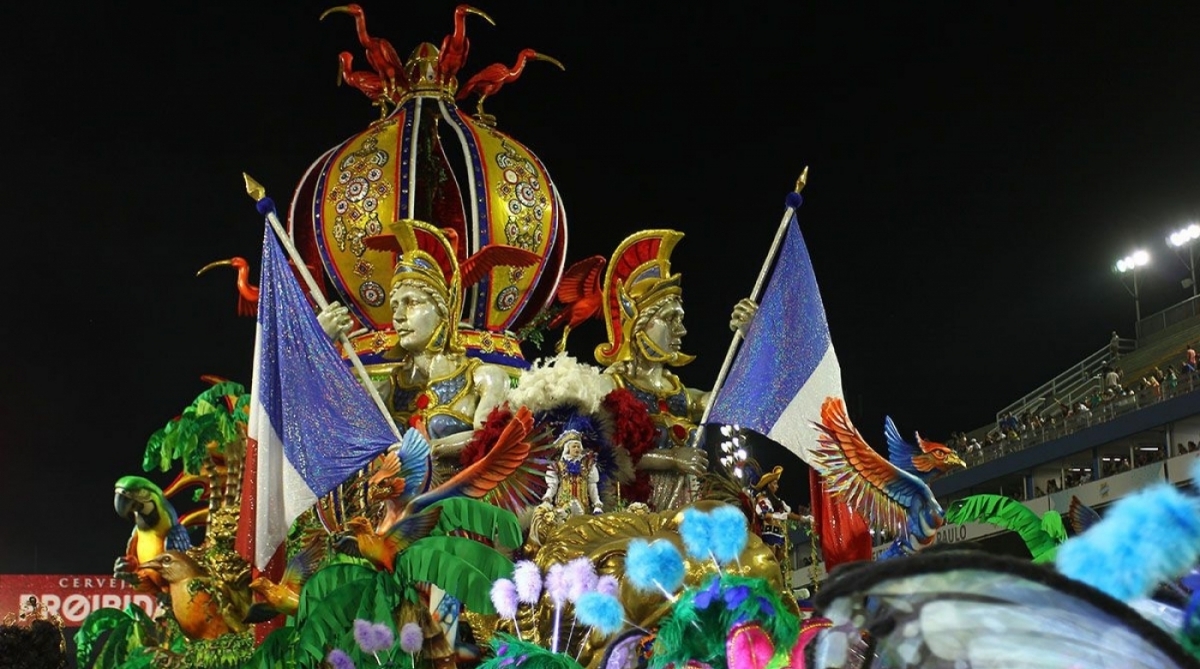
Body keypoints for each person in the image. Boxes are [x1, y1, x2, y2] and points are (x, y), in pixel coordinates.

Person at [319, 218, 521, 480]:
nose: (398, 317)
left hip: (462, 500)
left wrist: (426, 450)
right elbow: (331, 421)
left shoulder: (483, 378)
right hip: (397, 503)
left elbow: (488, 441)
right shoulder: (387, 391)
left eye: (411, 302)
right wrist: (320, 342)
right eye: (395, 306)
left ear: (442, 310)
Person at [591, 230, 752, 511]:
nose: (682, 330)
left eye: (681, 320)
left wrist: (751, 338)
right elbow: (605, 454)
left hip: (686, 512)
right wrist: (671, 458)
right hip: (634, 515)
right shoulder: (612, 385)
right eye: (670, 319)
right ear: (638, 324)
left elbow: (739, 400)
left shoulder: (683, 396)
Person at [540, 428, 603, 516]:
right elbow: (553, 485)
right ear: (568, 448)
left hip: (583, 509)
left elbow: (592, 486)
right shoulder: (558, 465)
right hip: (562, 507)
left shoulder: (588, 464)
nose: (576, 448)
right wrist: (548, 498)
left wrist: (597, 503)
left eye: (578, 446)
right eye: (574, 446)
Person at [753, 466, 810, 563]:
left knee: (779, 562)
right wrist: (777, 516)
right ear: (768, 485)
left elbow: (788, 514)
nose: (777, 486)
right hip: (768, 533)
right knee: (771, 562)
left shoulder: (777, 501)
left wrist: (803, 518)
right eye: (775, 483)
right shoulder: (762, 498)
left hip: (778, 533)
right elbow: (764, 514)